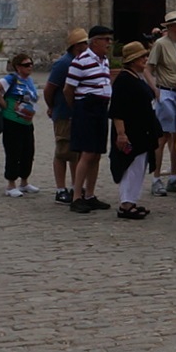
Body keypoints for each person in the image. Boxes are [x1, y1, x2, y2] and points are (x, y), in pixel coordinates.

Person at [64, 25, 115, 213]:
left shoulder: (104, 61)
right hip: (86, 107)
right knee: (86, 153)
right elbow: (68, 89)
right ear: (95, 42)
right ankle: (77, 195)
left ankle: (90, 195)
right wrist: (77, 108)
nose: (109, 43)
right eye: (105, 39)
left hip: (101, 108)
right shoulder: (81, 61)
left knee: (97, 153)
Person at [107, 41, 160, 220]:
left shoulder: (136, 77)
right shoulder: (124, 80)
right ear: (133, 60)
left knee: (139, 167)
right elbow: (117, 110)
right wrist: (121, 134)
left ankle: (132, 200)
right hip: (131, 133)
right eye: (142, 57)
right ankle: (126, 204)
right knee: (130, 167)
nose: (145, 59)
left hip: (142, 132)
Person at [148, 11, 176, 199]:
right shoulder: (160, 44)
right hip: (166, 91)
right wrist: (155, 90)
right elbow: (148, 69)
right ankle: (156, 178)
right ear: (171, 26)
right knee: (162, 137)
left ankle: (174, 175)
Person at [42, 28, 86, 203]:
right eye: (84, 43)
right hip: (64, 113)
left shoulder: (80, 61)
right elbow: (49, 88)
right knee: (62, 151)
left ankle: (76, 186)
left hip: (77, 113)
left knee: (75, 152)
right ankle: (60, 189)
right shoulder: (63, 63)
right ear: (76, 45)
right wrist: (52, 107)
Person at [0, 54, 40, 197]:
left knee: (28, 152)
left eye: (31, 64)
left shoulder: (29, 80)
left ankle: (24, 182)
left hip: (27, 122)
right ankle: (11, 185)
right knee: (13, 152)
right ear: (18, 67)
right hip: (12, 122)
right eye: (26, 65)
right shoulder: (12, 79)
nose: (30, 67)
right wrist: (3, 103)